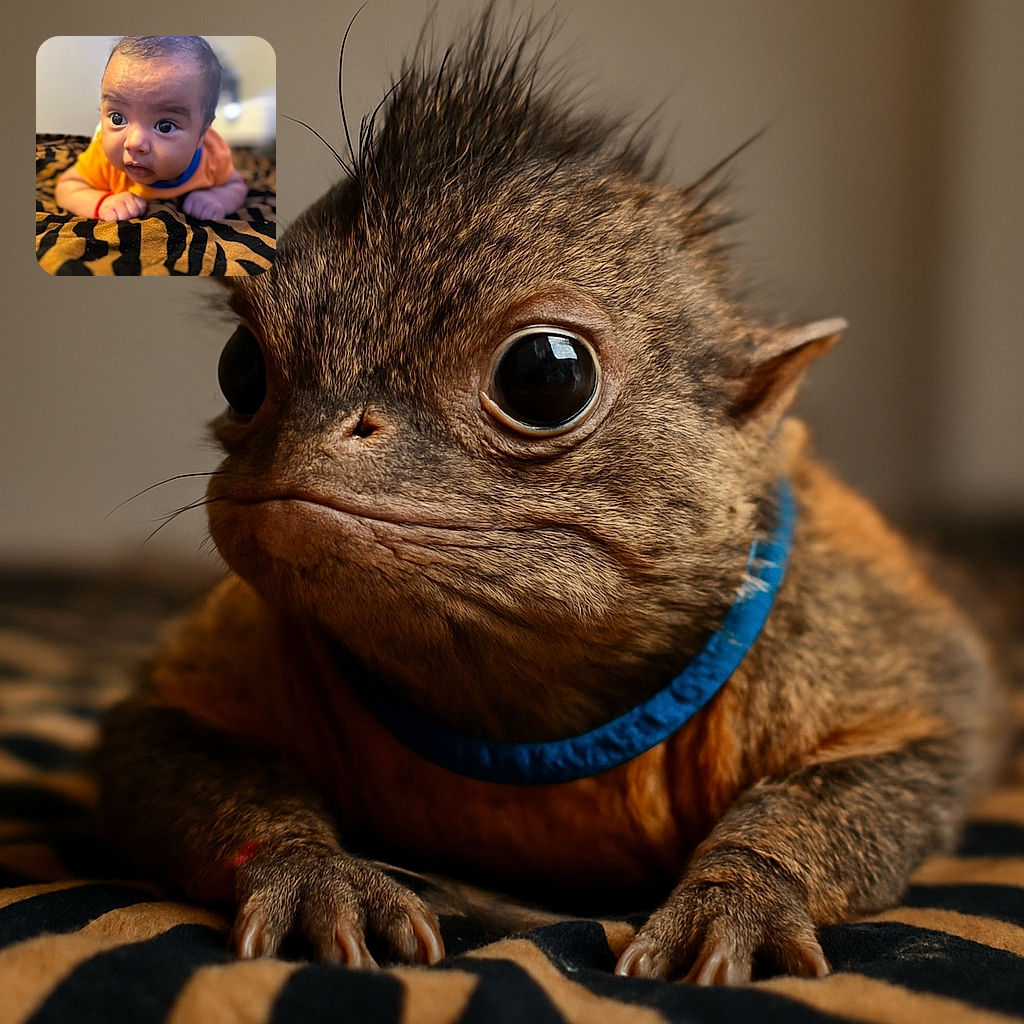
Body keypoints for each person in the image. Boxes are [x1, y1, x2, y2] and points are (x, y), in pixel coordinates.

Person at [55, 36, 248, 221]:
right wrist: (101, 203)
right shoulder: (103, 158)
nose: (134, 142)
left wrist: (217, 198)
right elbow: (67, 186)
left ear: (201, 135)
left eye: (165, 126)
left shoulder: (212, 157)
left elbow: (236, 185)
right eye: (117, 117)